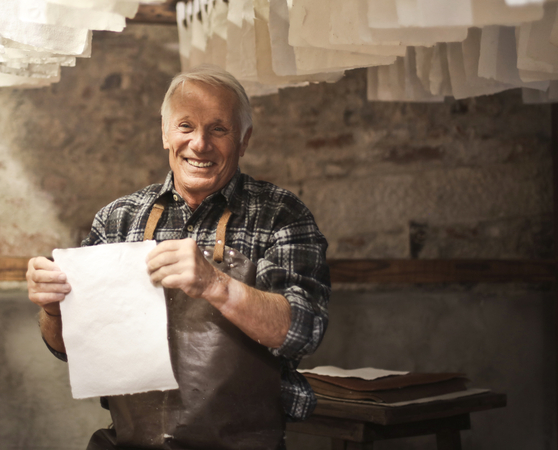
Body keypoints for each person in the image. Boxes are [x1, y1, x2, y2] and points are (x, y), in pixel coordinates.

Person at [26, 66, 330, 449]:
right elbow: (67, 349)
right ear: (166, 134)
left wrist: (216, 285)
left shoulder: (280, 215)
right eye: (185, 126)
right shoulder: (119, 218)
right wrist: (54, 309)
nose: (199, 144)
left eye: (218, 129)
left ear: (244, 139)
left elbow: (304, 332)